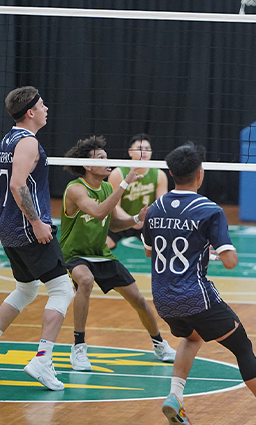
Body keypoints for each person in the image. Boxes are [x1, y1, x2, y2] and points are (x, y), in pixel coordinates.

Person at [143, 143, 256, 425]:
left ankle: (175, 398)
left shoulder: (154, 208)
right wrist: (217, 250)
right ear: (200, 174)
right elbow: (230, 261)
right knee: (242, 347)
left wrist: (197, 249)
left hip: (162, 298)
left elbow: (149, 251)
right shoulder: (209, 210)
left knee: (192, 337)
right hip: (195, 296)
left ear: (170, 173)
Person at [0, 86, 74, 390]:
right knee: (63, 290)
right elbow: (16, 184)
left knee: (26, 289)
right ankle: (43, 359)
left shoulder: (8, 139)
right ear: (30, 111)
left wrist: (10, 214)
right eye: (42, 105)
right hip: (30, 230)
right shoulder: (28, 142)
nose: (46, 109)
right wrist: (35, 221)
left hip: (8, 228)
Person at [60, 135, 176, 372]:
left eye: (106, 156)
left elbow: (113, 225)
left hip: (101, 254)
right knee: (85, 280)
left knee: (139, 300)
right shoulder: (75, 189)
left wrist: (135, 219)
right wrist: (125, 183)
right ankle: (78, 347)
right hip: (74, 254)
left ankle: (159, 344)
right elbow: (99, 213)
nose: (107, 160)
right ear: (87, 165)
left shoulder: (105, 188)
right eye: (100, 158)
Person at [106, 133, 168, 250]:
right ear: (130, 152)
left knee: (162, 247)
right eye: (139, 149)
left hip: (145, 222)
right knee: (101, 246)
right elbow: (113, 205)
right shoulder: (118, 173)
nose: (144, 152)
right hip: (121, 220)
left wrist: (145, 219)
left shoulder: (159, 175)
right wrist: (133, 220)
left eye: (147, 149)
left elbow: (161, 206)